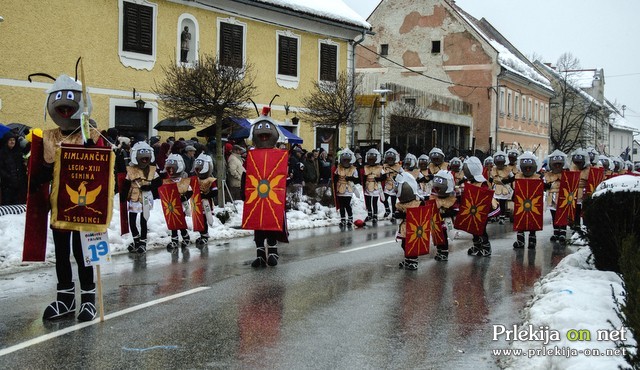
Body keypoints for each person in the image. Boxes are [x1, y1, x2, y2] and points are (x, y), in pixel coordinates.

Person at [162, 154, 193, 254]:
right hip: (171, 205)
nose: (171, 171)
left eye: (172, 169)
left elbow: (189, 191)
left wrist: (184, 197)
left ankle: (185, 237)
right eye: (169, 169)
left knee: (180, 222)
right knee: (173, 223)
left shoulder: (183, 180)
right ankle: (174, 240)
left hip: (181, 205)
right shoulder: (167, 181)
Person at [512, 151, 542, 249]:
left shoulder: (538, 177)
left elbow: (541, 188)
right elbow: (515, 187)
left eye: (530, 167)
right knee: (520, 218)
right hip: (521, 202)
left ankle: (532, 240)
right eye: (526, 167)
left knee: (533, 219)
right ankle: (520, 241)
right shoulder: (518, 176)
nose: (528, 169)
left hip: (533, 203)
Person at [463, 156, 492, 257]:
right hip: (473, 210)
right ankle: (477, 246)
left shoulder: (482, 184)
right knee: (473, 228)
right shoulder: (471, 182)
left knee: (481, 229)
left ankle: (486, 248)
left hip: (482, 211)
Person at [393, 172, 423, 270]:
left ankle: (413, 260)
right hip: (404, 226)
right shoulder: (400, 204)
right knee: (404, 244)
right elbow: (399, 211)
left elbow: (416, 215)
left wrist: (402, 214)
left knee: (412, 244)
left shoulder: (417, 203)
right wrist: (397, 214)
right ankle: (407, 259)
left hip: (413, 227)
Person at [430, 170, 459, 261]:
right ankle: (440, 250)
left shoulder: (452, 196)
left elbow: (456, 210)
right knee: (437, 234)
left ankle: (444, 251)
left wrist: (445, 213)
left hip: (446, 220)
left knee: (443, 234)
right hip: (436, 219)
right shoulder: (434, 194)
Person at [544, 150, 568, 243]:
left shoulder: (566, 174)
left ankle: (563, 233)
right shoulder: (548, 174)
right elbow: (544, 185)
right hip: (552, 196)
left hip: (563, 196)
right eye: (555, 164)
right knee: (554, 215)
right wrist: (549, 185)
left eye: (559, 164)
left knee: (562, 214)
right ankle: (556, 232)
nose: (557, 166)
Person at [334, 148, 359, 229]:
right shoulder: (339, 168)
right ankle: (343, 219)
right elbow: (335, 176)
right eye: (344, 160)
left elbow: (356, 179)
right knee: (341, 205)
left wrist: (351, 178)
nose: (346, 162)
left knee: (347, 204)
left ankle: (350, 219)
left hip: (348, 189)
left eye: (347, 160)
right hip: (340, 188)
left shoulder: (353, 169)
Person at [0, 132, 28, 205]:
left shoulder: (18, 152)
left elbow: (21, 167)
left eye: (14, 140)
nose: (12, 142)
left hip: (18, 185)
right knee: (7, 206)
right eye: (10, 140)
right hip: (7, 185)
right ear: (6, 141)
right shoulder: (2, 153)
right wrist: (9, 177)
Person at [362, 148, 386, 224]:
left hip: (375, 186)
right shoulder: (366, 167)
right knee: (368, 201)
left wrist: (379, 178)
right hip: (368, 186)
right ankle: (369, 214)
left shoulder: (380, 168)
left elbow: (384, 176)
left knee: (374, 202)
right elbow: (363, 175)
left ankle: (375, 215)